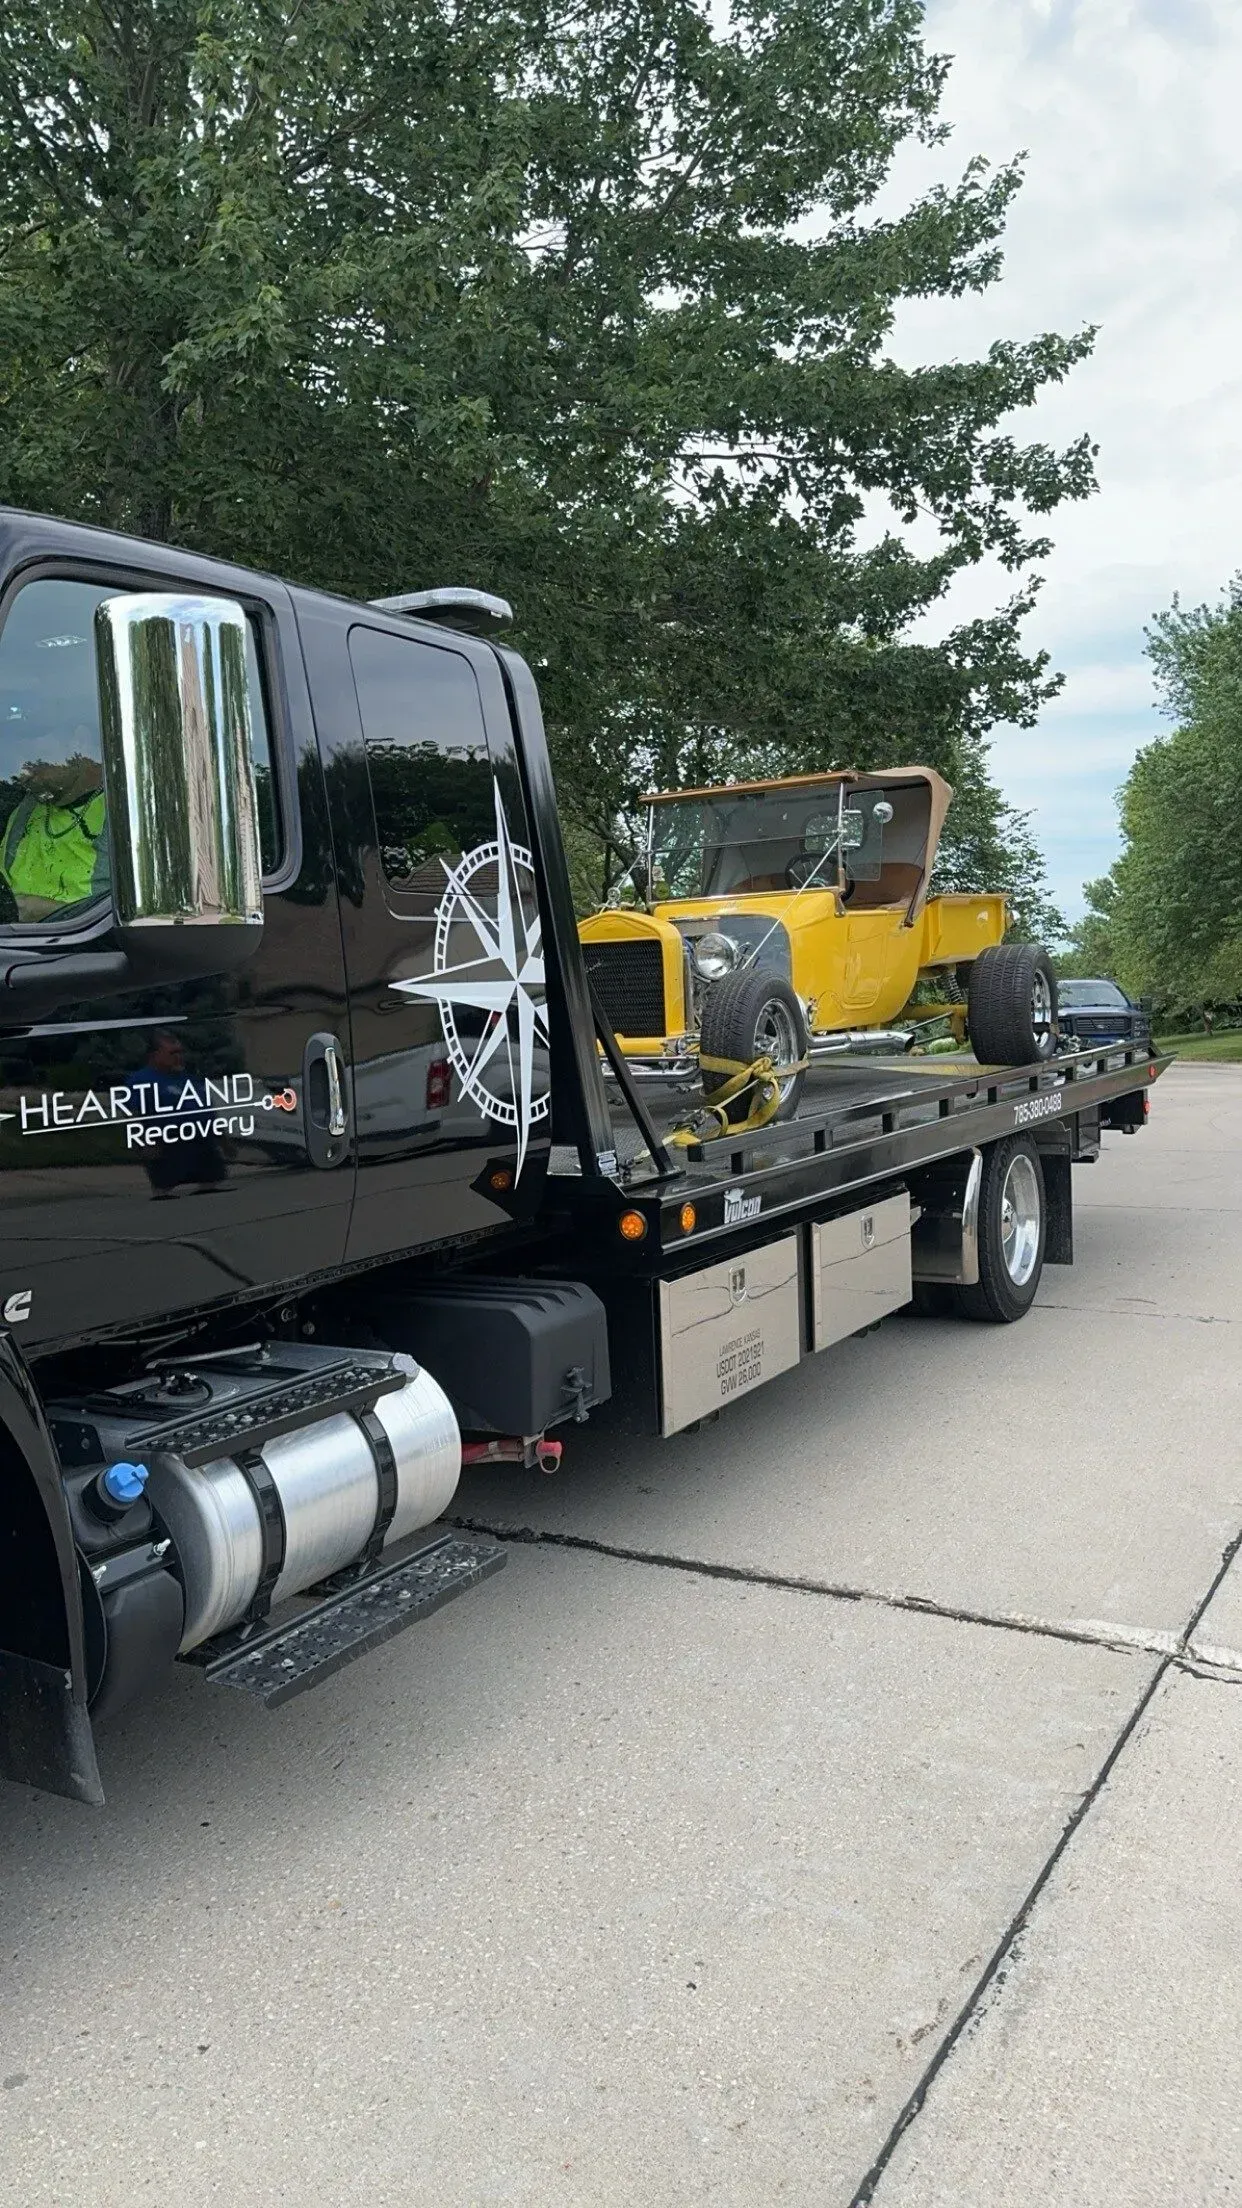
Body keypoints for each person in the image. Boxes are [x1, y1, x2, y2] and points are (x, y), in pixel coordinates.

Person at [0, 754, 109, 922]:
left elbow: (122, 916)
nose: (23, 775)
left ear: (79, 738)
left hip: (84, 942)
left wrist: (37, 911)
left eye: (35, 758)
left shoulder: (122, 813)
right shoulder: (25, 810)